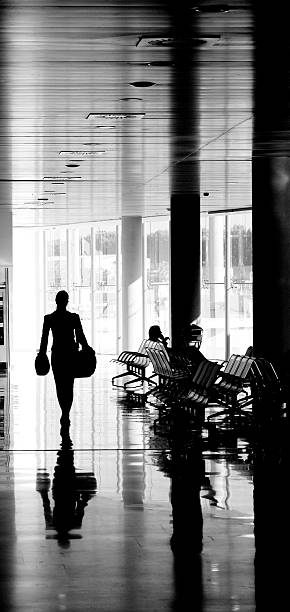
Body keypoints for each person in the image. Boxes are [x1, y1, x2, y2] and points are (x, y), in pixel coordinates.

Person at [38, 290, 88, 424]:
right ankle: (66, 412)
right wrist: (87, 348)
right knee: (69, 384)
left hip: (57, 355)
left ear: (56, 301)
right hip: (71, 354)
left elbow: (44, 339)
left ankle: (64, 411)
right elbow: (80, 336)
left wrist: (42, 354)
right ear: (67, 301)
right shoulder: (73, 317)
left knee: (59, 384)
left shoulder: (49, 318)